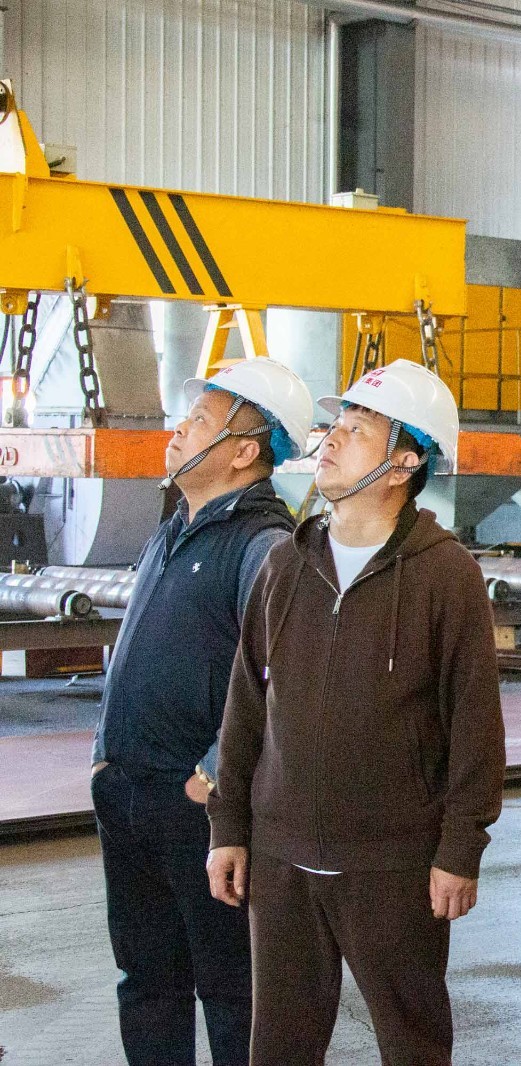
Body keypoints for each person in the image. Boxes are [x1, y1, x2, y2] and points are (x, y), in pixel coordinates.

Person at [206, 360, 506, 1065]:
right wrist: (228, 826)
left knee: (412, 1044)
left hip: (394, 865)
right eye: (334, 426)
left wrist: (460, 849)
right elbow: (246, 706)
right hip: (280, 859)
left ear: (405, 462)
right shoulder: (286, 564)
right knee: (278, 1049)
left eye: (359, 430)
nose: (332, 440)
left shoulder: (445, 575)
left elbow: (474, 727)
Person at [90, 359, 312, 1066]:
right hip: (130, 793)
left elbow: (285, 678)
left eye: (198, 422)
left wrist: (214, 775)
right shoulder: (172, 531)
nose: (178, 431)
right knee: (146, 980)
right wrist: (104, 756)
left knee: (229, 987)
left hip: (198, 809)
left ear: (243, 451)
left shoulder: (263, 545)